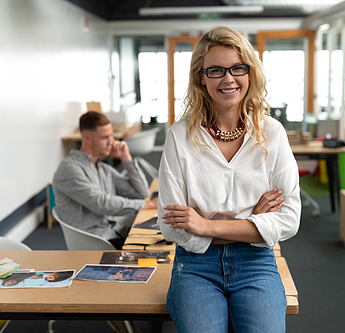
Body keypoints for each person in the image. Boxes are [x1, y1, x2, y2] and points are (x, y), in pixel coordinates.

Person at [157, 26, 301, 333]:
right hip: (196, 266)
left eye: (238, 68)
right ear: (201, 77)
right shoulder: (180, 137)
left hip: (256, 263)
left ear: (250, 73)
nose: (228, 78)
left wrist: (207, 225)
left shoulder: (272, 133)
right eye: (216, 70)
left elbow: (289, 219)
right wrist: (253, 224)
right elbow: (170, 224)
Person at [53, 111, 158, 250]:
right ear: (87, 138)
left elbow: (142, 193)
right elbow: (100, 203)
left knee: (158, 240)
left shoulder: (103, 168)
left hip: (114, 231)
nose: (112, 142)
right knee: (152, 251)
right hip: (95, 241)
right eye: (105, 137)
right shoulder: (69, 169)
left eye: (111, 136)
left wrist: (126, 158)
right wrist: (148, 204)